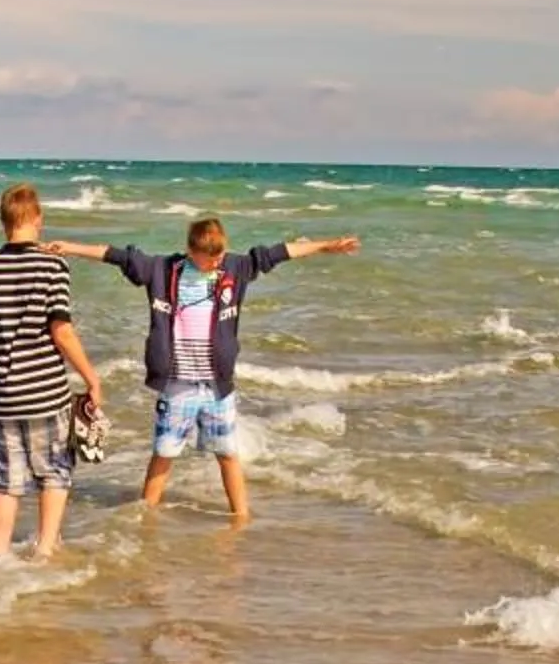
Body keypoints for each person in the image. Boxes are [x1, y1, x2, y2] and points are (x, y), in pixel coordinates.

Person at [42, 217, 359, 524]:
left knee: (227, 454)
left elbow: (280, 252)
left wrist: (326, 246)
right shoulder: (162, 270)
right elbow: (117, 256)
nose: (218, 262)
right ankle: (144, 518)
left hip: (217, 389)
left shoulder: (236, 268)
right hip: (177, 386)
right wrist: (69, 247)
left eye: (221, 255)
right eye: (211, 258)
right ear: (192, 251)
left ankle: (242, 517)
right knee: (164, 453)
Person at [0, 184, 105, 557]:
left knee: (5, 483)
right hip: (45, 393)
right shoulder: (52, 265)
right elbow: (61, 331)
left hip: (1, 396)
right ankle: (44, 550)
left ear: (4, 222)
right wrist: (92, 378)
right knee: (54, 474)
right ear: (38, 220)